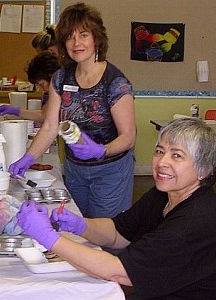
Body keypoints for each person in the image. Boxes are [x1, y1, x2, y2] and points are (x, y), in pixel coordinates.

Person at [17, 117, 216, 299]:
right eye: (159, 151)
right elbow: (118, 232)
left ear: (203, 169)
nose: (162, 162)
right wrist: (80, 225)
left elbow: (119, 272)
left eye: (177, 155)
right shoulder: (164, 194)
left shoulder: (193, 221)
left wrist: (47, 237)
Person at [9, 2, 136, 218]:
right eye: (69, 37)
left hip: (110, 170)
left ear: (96, 38)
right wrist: (28, 157)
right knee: (80, 229)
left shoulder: (115, 83)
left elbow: (128, 137)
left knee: (106, 233)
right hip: (75, 169)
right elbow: (50, 126)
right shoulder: (61, 77)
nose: (76, 43)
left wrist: (101, 150)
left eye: (83, 35)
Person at [0, 51, 61, 124]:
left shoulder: (63, 90)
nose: (41, 90)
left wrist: (16, 111)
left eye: (42, 84)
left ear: (52, 77)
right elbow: (43, 114)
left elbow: (44, 116)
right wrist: (17, 111)